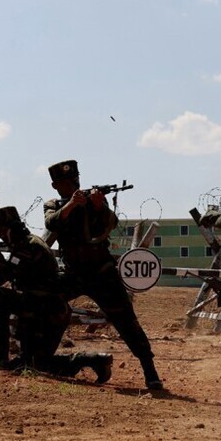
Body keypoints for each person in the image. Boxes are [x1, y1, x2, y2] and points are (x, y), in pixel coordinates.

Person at [43, 160, 162, 390]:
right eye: (67, 182)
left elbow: (111, 223)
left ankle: (150, 369)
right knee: (43, 300)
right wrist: (71, 206)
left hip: (101, 273)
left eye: (75, 180)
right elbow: (51, 221)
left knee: (126, 320)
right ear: (56, 186)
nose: (73, 185)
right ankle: (39, 355)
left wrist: (99, 206)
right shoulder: (54, 204)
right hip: (72, 274)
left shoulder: (94, 202)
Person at [0, 206, 112, 382]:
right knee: (32, 364)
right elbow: (14, 273)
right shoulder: (28, 244)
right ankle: (94, 360)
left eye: (2, 230)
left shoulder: (26, 248)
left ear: (13, 227)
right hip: (48, 310)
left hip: (44, 311)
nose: (1, 235)